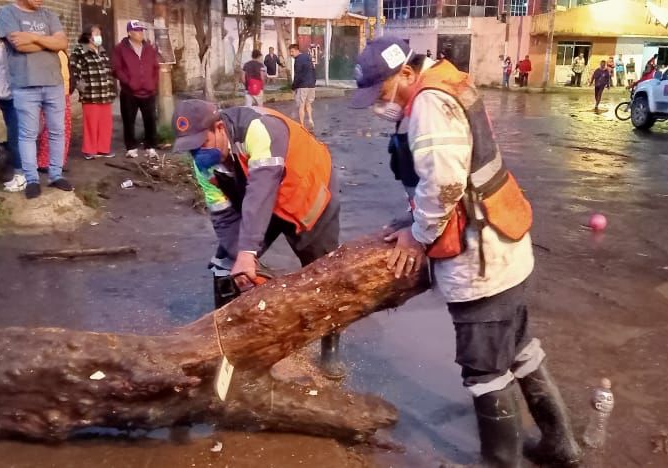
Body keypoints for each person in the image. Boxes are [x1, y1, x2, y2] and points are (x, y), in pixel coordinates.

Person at [350, 36, 581, 468]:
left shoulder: (429, 106)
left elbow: (445, 185)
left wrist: (418, 236)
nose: (380, 105)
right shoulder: (439, 85)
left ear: (405, 73)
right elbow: (450, 176)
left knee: (484, 371)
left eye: (381, 93)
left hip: (481, 259)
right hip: (504, 247)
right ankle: (560, 445)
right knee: (516, 348)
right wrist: (409, 220)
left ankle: (501, 462)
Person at [170, 99, 347, 379]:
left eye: (202, 144)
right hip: (258, 205)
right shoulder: (204, 166)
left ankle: (331, 348)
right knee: (224, 266)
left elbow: (262, 189)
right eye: (191, 148)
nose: (198, 154)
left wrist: (248, 252)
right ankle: (228, 345)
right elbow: (223, 217)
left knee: (325, 272)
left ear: (219, 128)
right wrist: (239, 258)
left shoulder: (258, 128)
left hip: (306, 195)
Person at [0, 0, 71, 199]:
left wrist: (32, 37)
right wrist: (48, 42)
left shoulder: (49, 15)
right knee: (28, 134)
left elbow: (62, 43)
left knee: (57, 131)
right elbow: (20, 45)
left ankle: (55, 175)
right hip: (25, 84)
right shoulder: (7, 13)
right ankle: (32, 180)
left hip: (54, 82)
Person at [113, 20, 161, 159]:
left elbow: (155, 67)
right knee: (129, 121)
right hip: (129, 92)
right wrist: (128, 82)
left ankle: (150, 146)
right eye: (137, 31)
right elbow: (116, 69)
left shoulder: (149, 48)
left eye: (141, 30)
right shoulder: (120, 48)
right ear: (129, 33)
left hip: (148, 91)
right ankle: (131, 147)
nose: (140, 33)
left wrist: (153, 83)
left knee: (150, 120)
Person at [0, 9, 24, 192]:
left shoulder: (15, 43)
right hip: (2, 96)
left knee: (14, 138)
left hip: (16, 96)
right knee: (14, 136)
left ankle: (21, 175)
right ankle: (21, 173)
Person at [71, 25, 117, 160]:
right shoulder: (80, 51)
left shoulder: (101, 50)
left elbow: (108, 71)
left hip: (105, 94)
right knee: (91, 124)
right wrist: (83, 89)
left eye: (99, 33)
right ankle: (89, 150)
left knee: (105, 124)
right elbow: (74, 72)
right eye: (96, 33)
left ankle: (103, 149)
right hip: (91, 94)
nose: (99, 36)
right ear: (88, 36)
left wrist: (111, 88)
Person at [36, 51, 73, 171]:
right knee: (50, 129)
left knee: (64, 129)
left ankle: (58, 162)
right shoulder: (43, 52)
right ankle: (44, 162)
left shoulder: (61, 51)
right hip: (51, 94)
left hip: (64, 93)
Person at [289, 43, 316, 131]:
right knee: (308, 103)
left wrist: (293, 87)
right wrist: (313, 82)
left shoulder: (298, 60)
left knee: (301, 105)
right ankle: (310, 120)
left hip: (303, 85)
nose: (291, 54)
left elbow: (298, 75)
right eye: (290, 52)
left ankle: (302, 125)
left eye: (292, 52)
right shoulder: (307, 57)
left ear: (297, 51)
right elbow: (313, 70)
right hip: (311, 85)